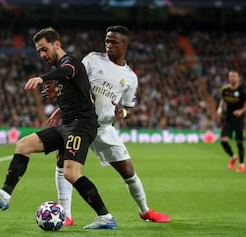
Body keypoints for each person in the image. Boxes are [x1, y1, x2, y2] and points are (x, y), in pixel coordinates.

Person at [0, 27, 117, 230]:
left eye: (44, 49)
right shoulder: (58, 76)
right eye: (39, 51)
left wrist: (43, 78)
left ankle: (105, 217)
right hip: (66, 125)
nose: (42, 55)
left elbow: (69, 72)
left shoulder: (71, 63)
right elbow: (75, 94)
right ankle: (4, 195)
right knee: (23, 144)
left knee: (71, 172)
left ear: (56, 45)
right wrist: (59, 104)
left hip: (81, 125)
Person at [46, 25, 170, 226]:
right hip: (79, 122)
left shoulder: (130, 77)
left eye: (114, 42)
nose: (108, 45)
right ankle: (66, 214)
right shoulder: (93, 59)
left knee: (128, 171)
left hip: (103, 128)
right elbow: (73, 82)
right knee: (62, 161)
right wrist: (60, 101)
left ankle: (145, 211)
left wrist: (124, 112)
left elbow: (130, 108)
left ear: (125, 45)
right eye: (107, 41)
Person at [216, 70, 246, 173]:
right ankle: (233, 156)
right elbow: (223, 100)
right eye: (230, 76)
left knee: (239, 143)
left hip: (239, 120)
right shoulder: (225, 90)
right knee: (223, 141)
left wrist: (241, 111)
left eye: (234, 76)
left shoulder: (242, 90)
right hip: (228, 119)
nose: (232, 78)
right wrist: (219, 109)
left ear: (238, 78)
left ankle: (241, 164)